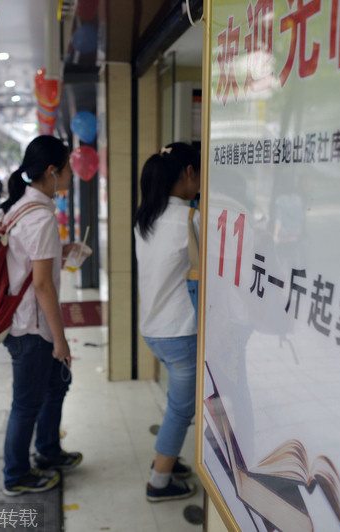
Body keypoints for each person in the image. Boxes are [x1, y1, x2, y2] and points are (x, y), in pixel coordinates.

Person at [0, 135, 82, 496]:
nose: (71, 175)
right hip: (33, 329)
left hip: (21, 323)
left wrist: (59, 250)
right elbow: (43, 285)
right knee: (28, 403)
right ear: (52, 171)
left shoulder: (20, 207)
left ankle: (48, 451)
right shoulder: (42, 216)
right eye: (67, 168)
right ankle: (16, 475)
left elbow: (27, 261)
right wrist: (61, 340)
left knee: (54, 387)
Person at [134, 142, 201, 502]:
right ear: (189, 172)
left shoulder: (146, 218)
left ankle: (167, 458)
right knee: (180, 410)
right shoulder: (190, 219)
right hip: (181, 334)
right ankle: (159, 483)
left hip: (153, 330)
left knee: (176, 405)